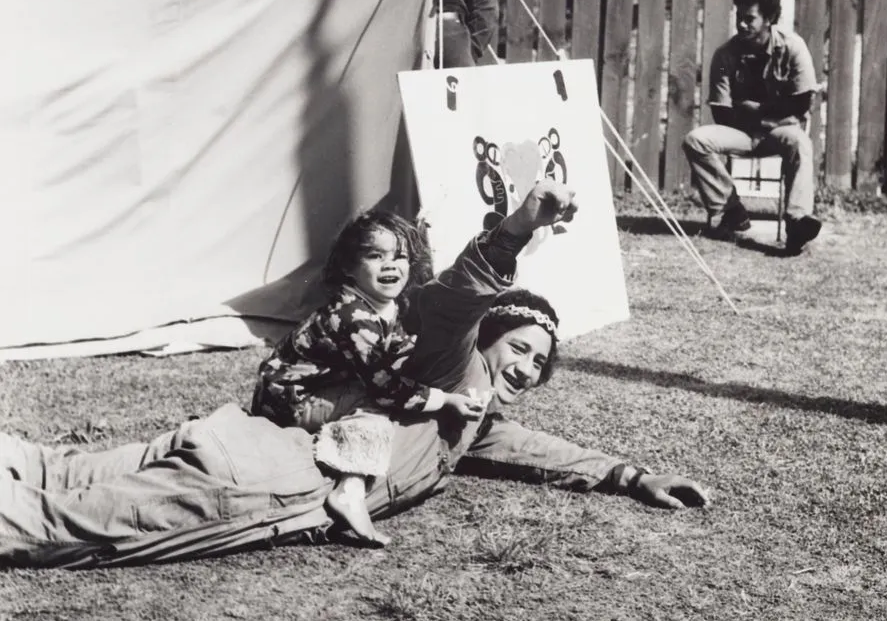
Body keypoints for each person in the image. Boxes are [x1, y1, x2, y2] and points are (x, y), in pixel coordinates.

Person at [0, 181, 708, 569]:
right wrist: (515, 230)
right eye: (520, 346)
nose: (528, 366)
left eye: (540, 361)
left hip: (234, 440)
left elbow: (532, 450)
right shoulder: (446, 360)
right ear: (484, 336)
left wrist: (632, 476)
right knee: (66, 526)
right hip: (259, 480)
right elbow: (460, 294)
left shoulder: (468, 417)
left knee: (58, 471)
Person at [250, 209, 486, 548]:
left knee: (382, 390)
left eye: (399, 256)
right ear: (348, 267)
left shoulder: (385, 306)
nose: (390, 265)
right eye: (375, 256)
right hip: (289, 399)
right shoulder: (354, 316)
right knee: (375, 404)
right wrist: (444, 398)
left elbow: (396, 349)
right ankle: (350, 488)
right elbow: (386, 387)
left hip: (314, 388)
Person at [682, 0, 822, 255]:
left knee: (800, 143)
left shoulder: (793, 47)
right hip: (742, 132)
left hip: (781, 131)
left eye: (750, 19)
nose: (742, 25)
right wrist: (768, 111)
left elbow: (801, 101)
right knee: (695, 140)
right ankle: (731, 209)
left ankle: (796, 223)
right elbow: (722, 111)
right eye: (739, 17)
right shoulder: (725, 54)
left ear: (769, 19)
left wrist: (755, 109)